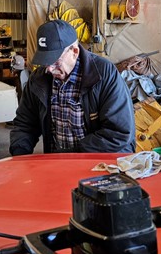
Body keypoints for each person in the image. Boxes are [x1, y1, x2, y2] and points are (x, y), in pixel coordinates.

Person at [9, 20, 136, 155]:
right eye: (46, 62)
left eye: (56, 62)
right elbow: (25, 124)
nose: (50, 69)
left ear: (74, 52)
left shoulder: (104, 74)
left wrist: (73, 154)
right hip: (59, 161)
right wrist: (19, 155)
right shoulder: (38, 79)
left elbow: (118, 132)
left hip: (102, 158)